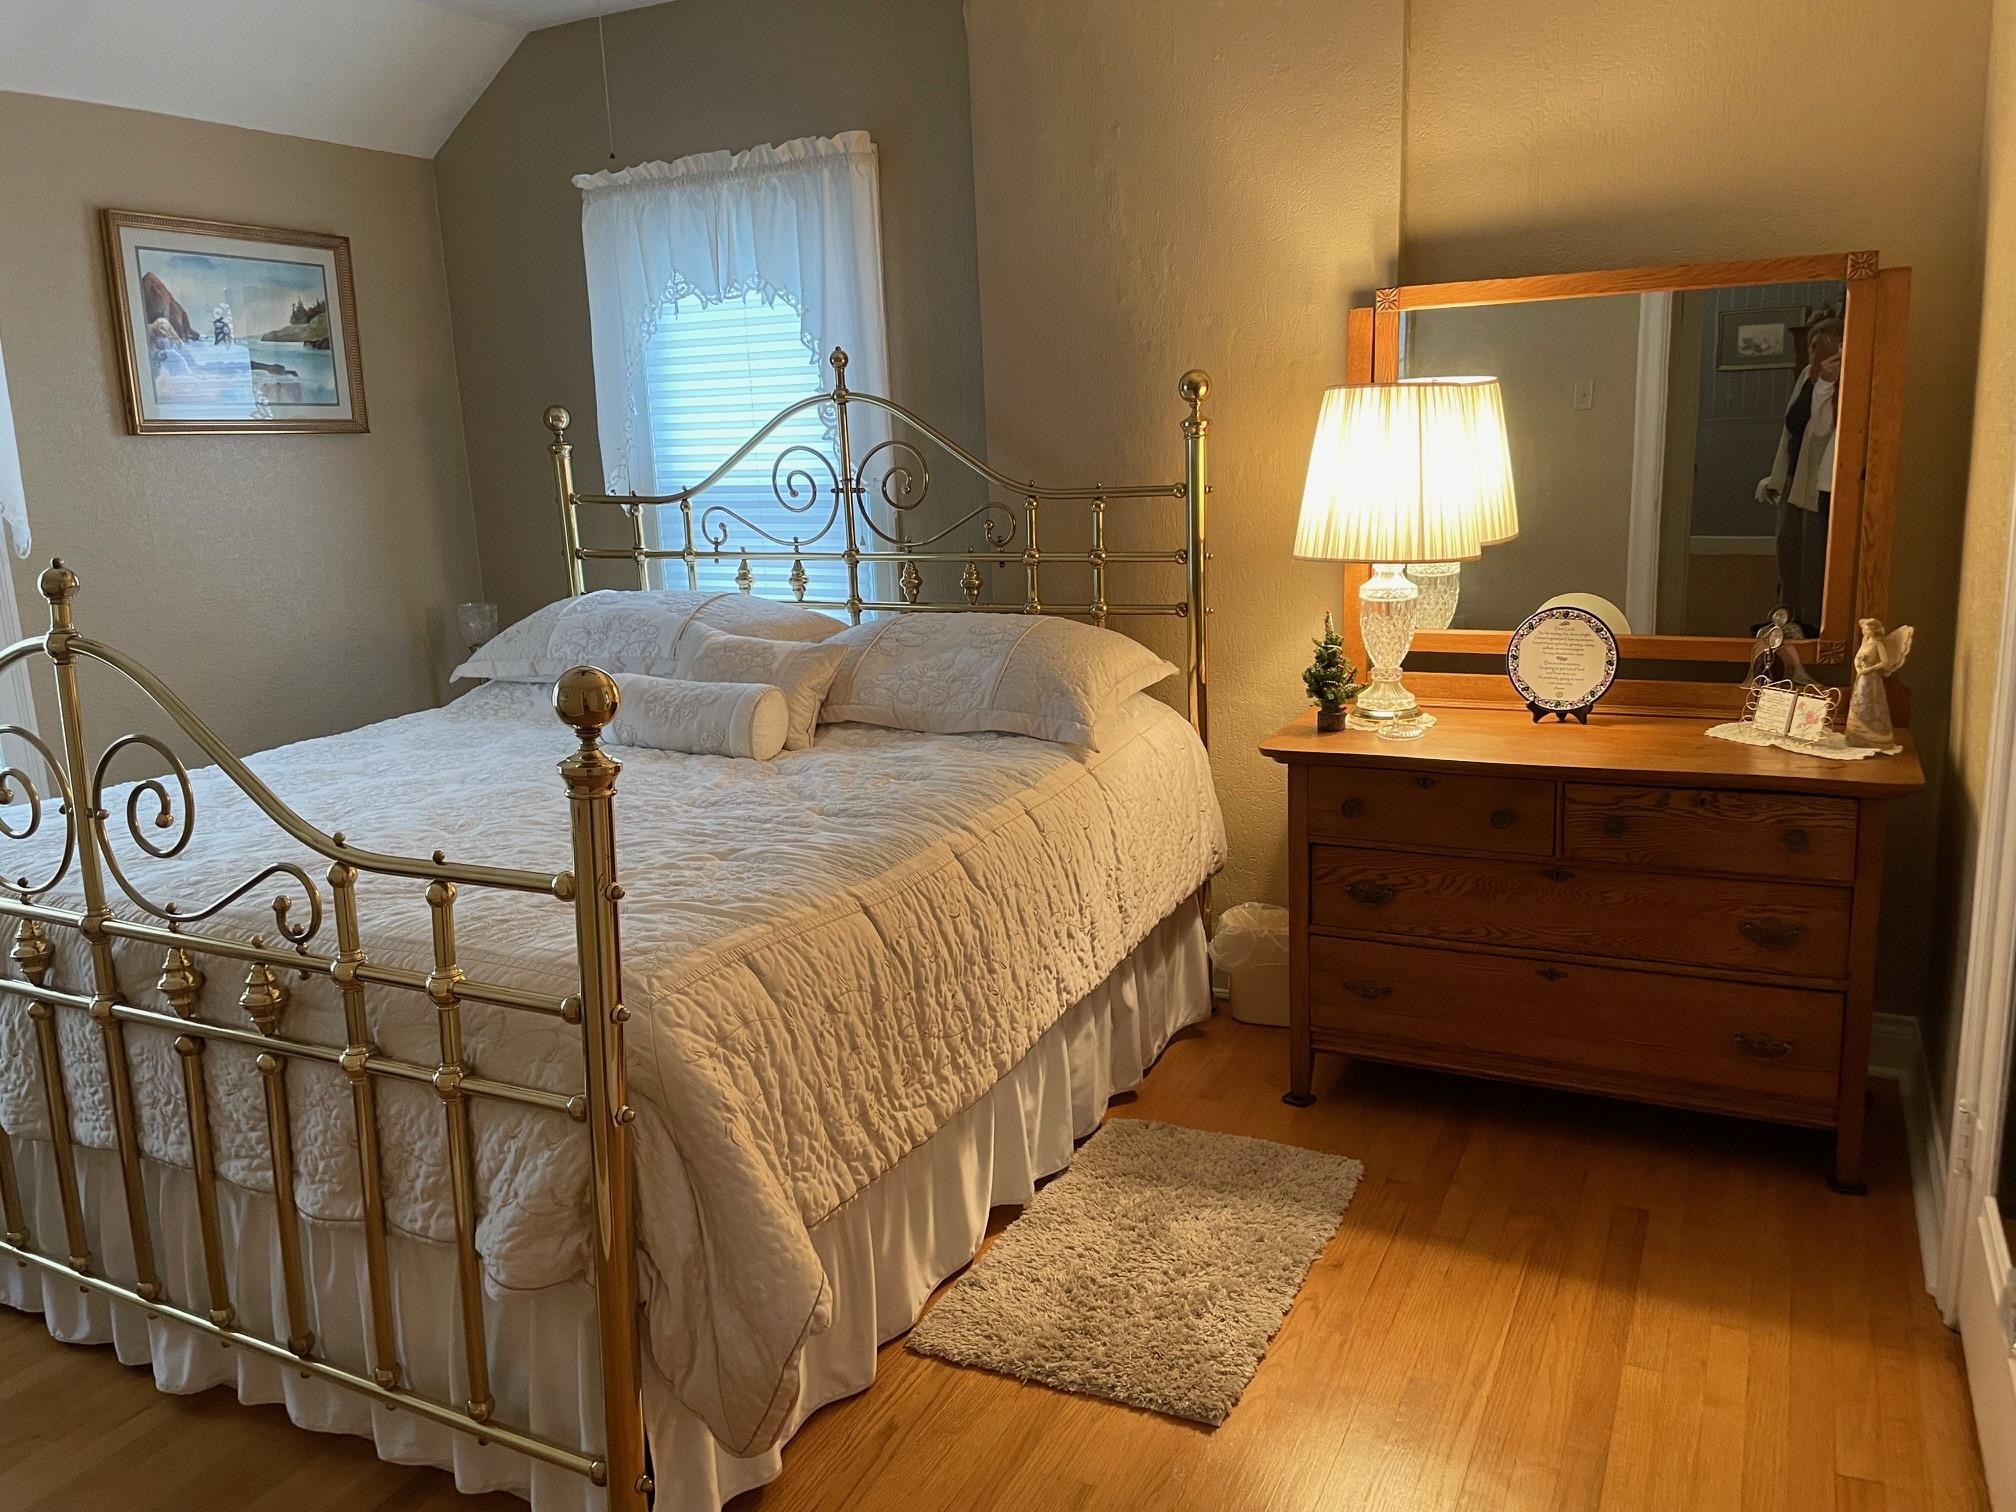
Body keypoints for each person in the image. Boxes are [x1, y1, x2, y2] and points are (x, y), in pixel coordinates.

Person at [1755, 316, 1843, 636]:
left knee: (1813, 556)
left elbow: (1821, 432)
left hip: (1819, 483)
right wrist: (1775, 479)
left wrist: (1828, 383)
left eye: (1824, 346)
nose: (1815, 353)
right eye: (1812, 346)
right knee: (1788, 550)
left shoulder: (1845, 380)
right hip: (1793, 479)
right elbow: (1790, 432)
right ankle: (1786, 619)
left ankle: (1810, 625)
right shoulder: (1806, 375)